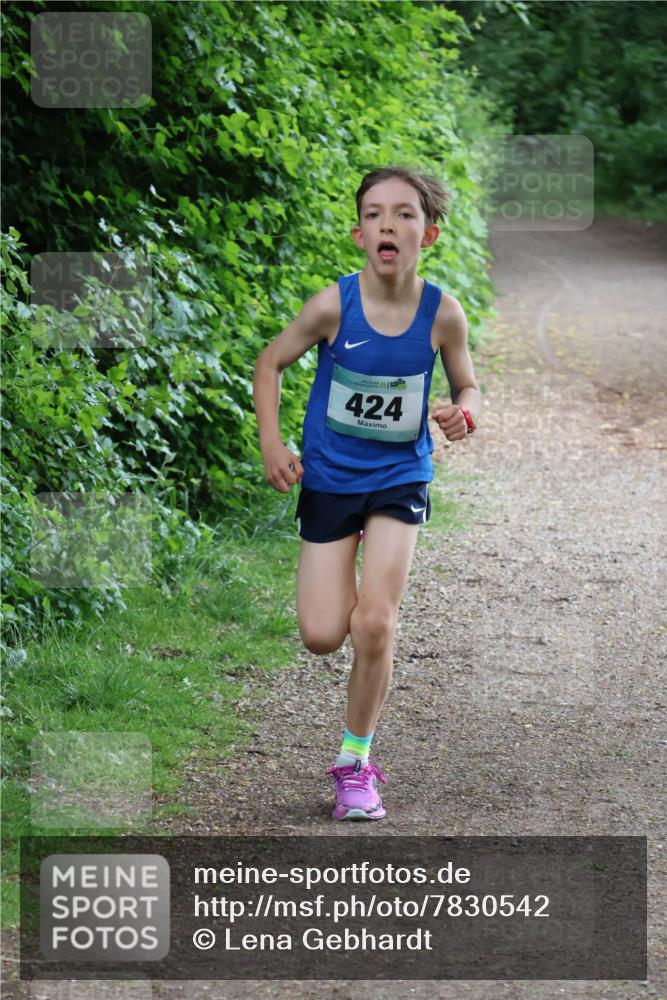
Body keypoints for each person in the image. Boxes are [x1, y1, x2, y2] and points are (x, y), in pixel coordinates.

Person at [253, 165, 482, 820]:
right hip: (328, 479)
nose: (389, 223)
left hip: (399, 477)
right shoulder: (333, 306)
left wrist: (465, 412)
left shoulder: (442, 314)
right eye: (376, 214)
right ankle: (347, 626)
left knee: (374, 621)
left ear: (427, 235)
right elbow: (269, 363)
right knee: (325, 633)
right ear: (359, 234)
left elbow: (468, 386)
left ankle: (355, 762)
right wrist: (273, 444)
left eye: (404, 214)